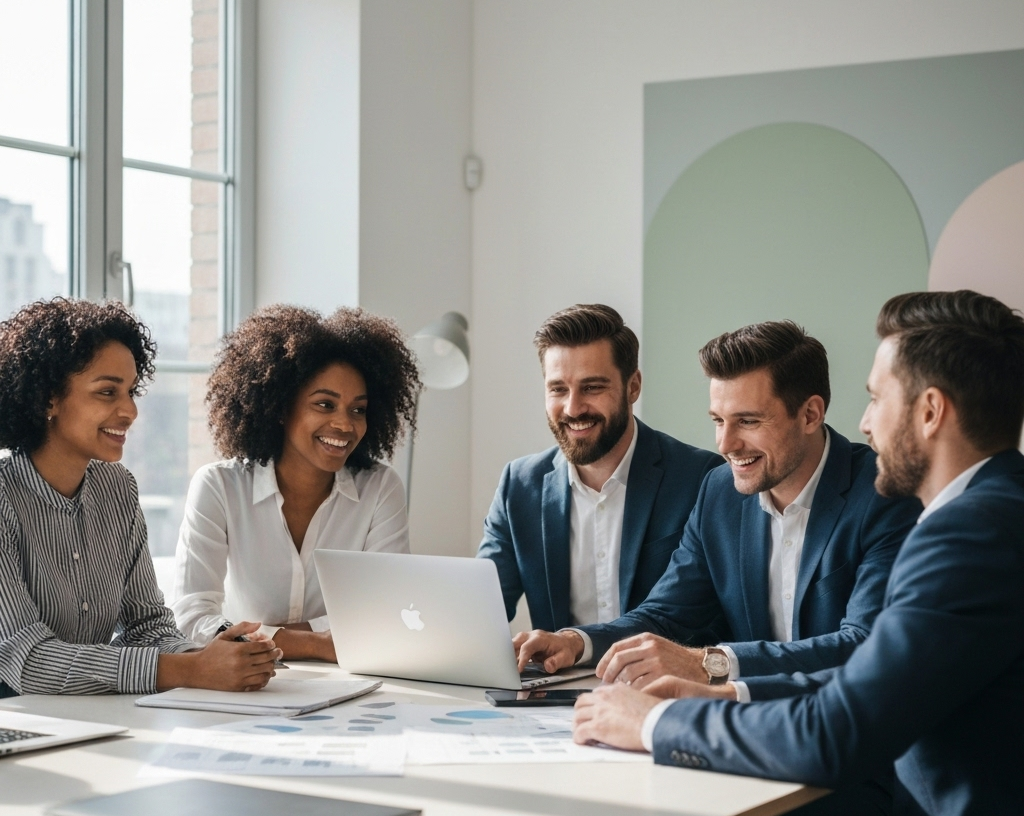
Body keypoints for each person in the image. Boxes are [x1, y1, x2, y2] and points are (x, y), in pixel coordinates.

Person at [574, 290, 1024, 816]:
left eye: (877, 398)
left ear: (929, 411)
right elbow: (864, 685)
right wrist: (720, 692)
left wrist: (654, 721)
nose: (866, 424)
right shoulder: (994, 507)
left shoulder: (969, 535)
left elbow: (836, 730)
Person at [506, 320, 919, 816]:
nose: (727, 444)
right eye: (717, 421)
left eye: (747, 421)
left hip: (852, 764)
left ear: (811, 413)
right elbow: (669, 610)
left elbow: (863, 644)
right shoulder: (720, 493)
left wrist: (716, 664)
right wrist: (579, 641)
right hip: (742, 751)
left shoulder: (881, 494)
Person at [0, 298, 281, 698]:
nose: (129, 411)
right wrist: (191, 669)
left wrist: (216, 655)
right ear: (49, 398)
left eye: (131, 391)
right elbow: (25, 661)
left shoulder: (118, 488)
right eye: (107, 392)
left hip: (90, 717)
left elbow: (147, 625)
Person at [171, 305, 419, 661]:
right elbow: (190, 618)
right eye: (324, 404)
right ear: (281, 407)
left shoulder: (380, 488)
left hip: (349, 686)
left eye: (357, 409)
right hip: (246, 681)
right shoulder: (219, 486)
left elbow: (387, 609)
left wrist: (262, 635)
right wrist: (318, 643)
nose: (345, 425)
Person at [479, 303, 722, 637]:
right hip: (558, 685)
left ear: (633, 386)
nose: (573, 408)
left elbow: (696, 612)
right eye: (558, 389)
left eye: (592, 387)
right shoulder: (519, 485)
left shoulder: (701, 478)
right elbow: (481, 607)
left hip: (665, 686)